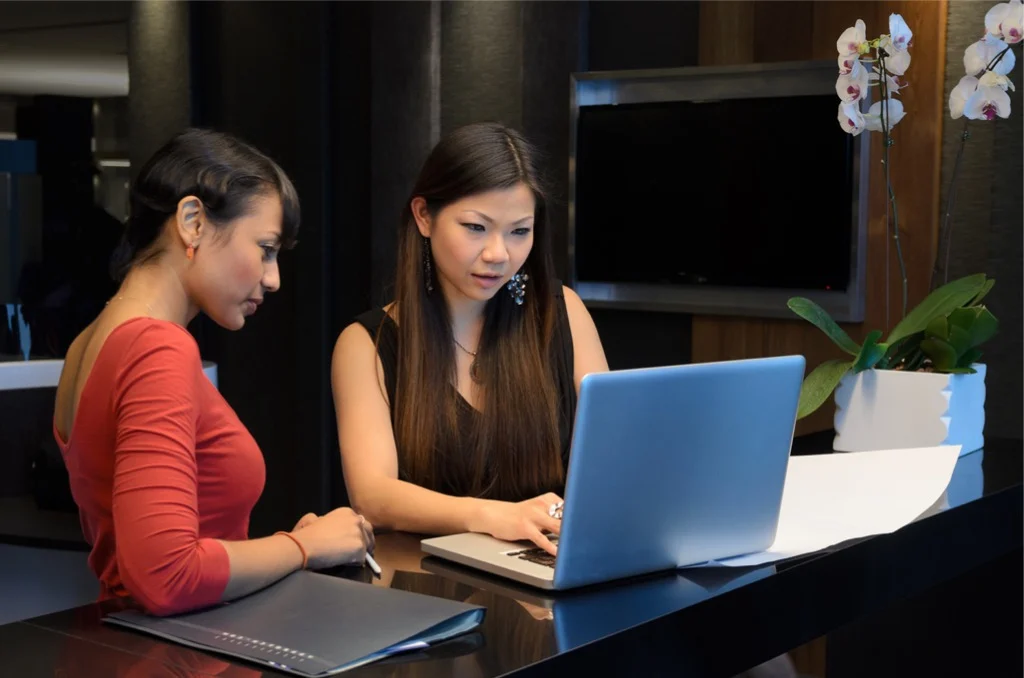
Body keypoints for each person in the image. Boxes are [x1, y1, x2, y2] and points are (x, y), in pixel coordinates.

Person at [53, 128, 374, 617]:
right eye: (265, 249)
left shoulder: (90, 341)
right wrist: (305, 547)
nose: (273, 278)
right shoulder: (157, 346)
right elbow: (166, 576)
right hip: (178, 657)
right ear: (192, 222)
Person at [331, 122, 609, 556]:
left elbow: (611, 455)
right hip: (427, 588)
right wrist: (493, 516)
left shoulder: (562, 311)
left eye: (520, 231)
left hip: (548, 568)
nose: (499, 254)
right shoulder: (367, 344)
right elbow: (373, 497)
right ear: (424, 216)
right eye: (476, 228)